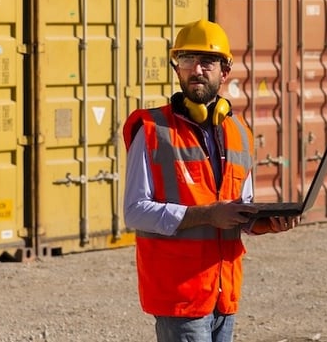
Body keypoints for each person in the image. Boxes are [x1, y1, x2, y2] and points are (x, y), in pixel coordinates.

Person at [122, 18, 298, 342]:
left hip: (224, 292)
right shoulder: (151, 131)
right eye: (188, 60)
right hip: (180, 295)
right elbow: (134, 210)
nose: (197, 70)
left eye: (207, 61)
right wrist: (204, 214)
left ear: (225, 71)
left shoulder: (240, 134)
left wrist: (263, 223)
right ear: (177, 69)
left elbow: (239, 211)